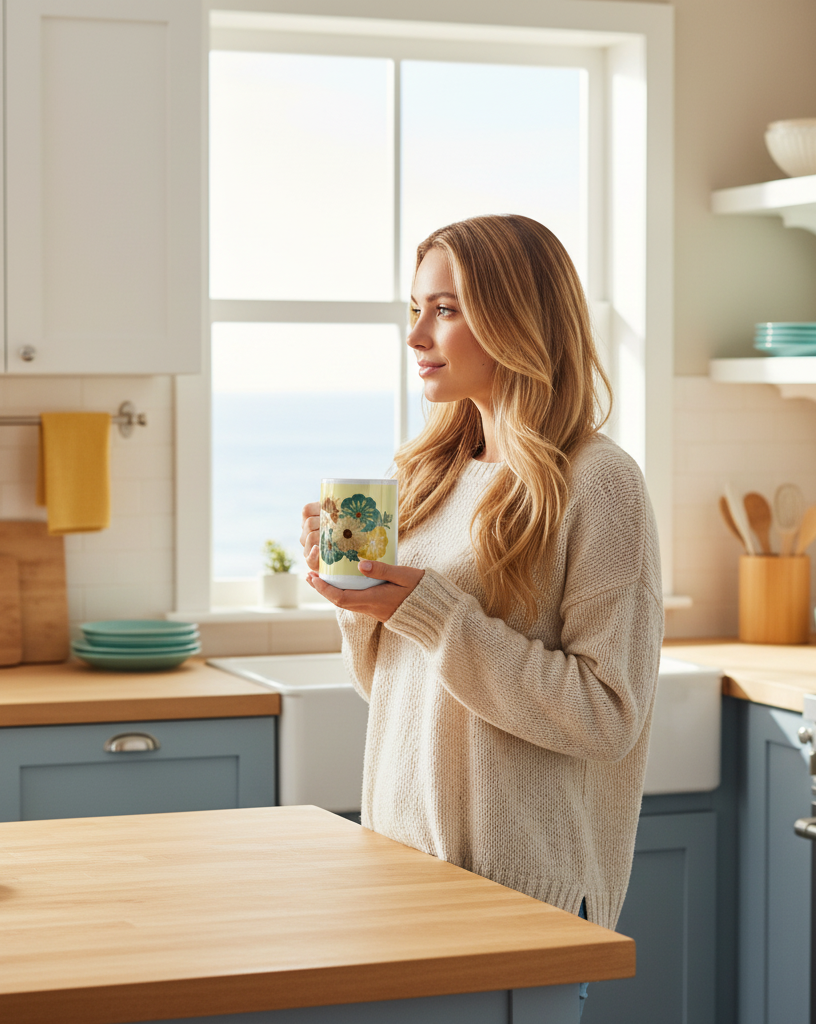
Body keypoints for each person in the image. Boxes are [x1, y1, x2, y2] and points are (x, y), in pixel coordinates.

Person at [299, 215, 663, 1012]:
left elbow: (606, 716)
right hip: (402, 869)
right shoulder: (426, 472)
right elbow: (396, 689)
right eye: (414, 309)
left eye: (446, 309)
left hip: (518, 891)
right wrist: (359, 604)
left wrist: (429, 612)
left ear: (519, 321)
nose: (416, 336)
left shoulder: (599, 483)